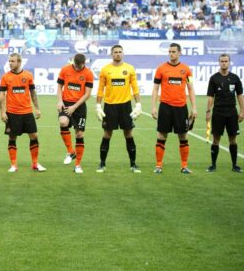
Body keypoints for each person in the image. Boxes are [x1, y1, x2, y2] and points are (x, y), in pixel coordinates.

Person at [151, 43, 197, 174]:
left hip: (181, 108)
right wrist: (153, 106)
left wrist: (194, 107)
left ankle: (184, 166)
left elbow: (191, 88)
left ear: (179, 52)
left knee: (183, 136)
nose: (171, 54)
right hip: (165, 107)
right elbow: (155, 88)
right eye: (170, 51)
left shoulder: (187, 70)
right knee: (161, 135)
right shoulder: (161, 69)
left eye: (174, 51)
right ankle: (158, 165)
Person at [95, 45, 142, 173]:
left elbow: (135, 88)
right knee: (107, 134)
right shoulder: (105, 70)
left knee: (128, 133)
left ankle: (133, 164)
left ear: (123, 53)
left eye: (120, 52)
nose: (118, 54)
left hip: (125, 106)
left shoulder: (129, 68)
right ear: (111, 54)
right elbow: (100, 89)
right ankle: (102, 164)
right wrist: (98, 105)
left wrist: (138, 104)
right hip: (110, 106)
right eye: (115, 52)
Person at [0, 53, 46, 172]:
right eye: (9, 61)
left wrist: (37, 108)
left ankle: (35, 164)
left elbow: (33, 93)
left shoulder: (28, 75)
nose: (10, 63)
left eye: (12, 61)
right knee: (12, 137)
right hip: (12, 113)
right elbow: (2, 96)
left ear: (19, 62)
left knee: (34, 136)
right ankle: (13, 165)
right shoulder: (5, 77)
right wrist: (3, 112)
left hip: (27, 112)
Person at [205, 54, 244, 172]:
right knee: (216, 139)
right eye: (222, 61)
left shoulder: (235, 78)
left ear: (229, 62)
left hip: (232, 112)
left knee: (233, 139)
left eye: (226, 61)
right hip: (218, 112)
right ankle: (213, 165)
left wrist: (242, 111)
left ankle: (235, 165)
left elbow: (240, 95)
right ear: (219, 62)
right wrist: (208, 111)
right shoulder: (214, 78)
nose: (224, 63)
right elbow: (211, 97)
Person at [57, 53, 94, 173]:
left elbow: (87, 94)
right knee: (63, 122)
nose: (77, 68)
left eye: (79, 66)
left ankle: (78, 165)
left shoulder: (88, 73)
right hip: (66, 103)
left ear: (84, 63)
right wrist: (59, 101)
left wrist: (75, 106)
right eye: (75, 65)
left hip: (80, 105)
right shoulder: (65, 69)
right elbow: (59, 86)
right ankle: (70, 151)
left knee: (79, 135)